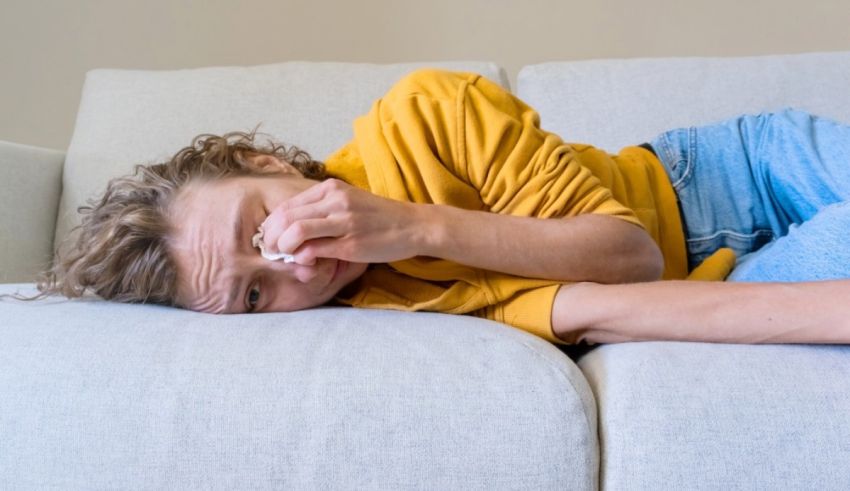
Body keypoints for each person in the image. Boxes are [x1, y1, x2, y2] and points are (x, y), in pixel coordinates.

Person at [12, 69, 850, 345]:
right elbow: (632, 290)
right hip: (724, 270)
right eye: (257, 294)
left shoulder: (423, 113)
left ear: (268, 164)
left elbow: (626, 247)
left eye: (259, 228)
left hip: (731, 171)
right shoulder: (387, 311)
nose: (293, 264)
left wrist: (409, 223)